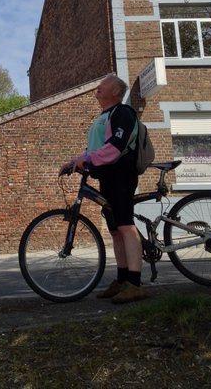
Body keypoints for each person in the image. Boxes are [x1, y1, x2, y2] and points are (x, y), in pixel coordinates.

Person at [60, 74, 146, 304]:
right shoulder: (103, 117)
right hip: (107, 177)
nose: (96, 89)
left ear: (116, 92)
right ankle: (122, 280)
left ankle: (135, 284)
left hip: (121, 175)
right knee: (116, 231)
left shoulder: (123, 113)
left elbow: (114, 149)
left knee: (126, 227)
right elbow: (94, 149)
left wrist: (87, 160)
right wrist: (73, 162)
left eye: (101, 87)